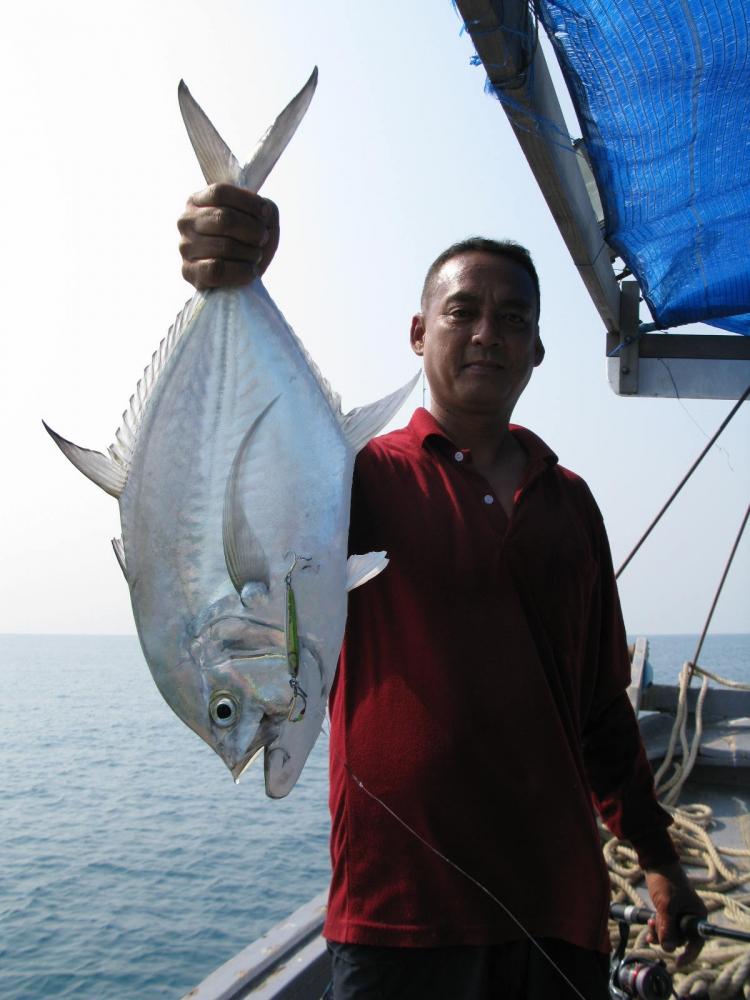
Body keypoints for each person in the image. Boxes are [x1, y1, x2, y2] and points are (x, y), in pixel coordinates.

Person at [178, 184, 707, 999]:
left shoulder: (570, 503)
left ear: (537, 353)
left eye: (514, 319)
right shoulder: (353, 481)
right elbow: (225, 483)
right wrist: (227, 277)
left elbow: (602, 707)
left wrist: (659, 858)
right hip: (395, 917)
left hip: (558, 912)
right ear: (419, 333)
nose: (488, 335)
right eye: (463, 312)